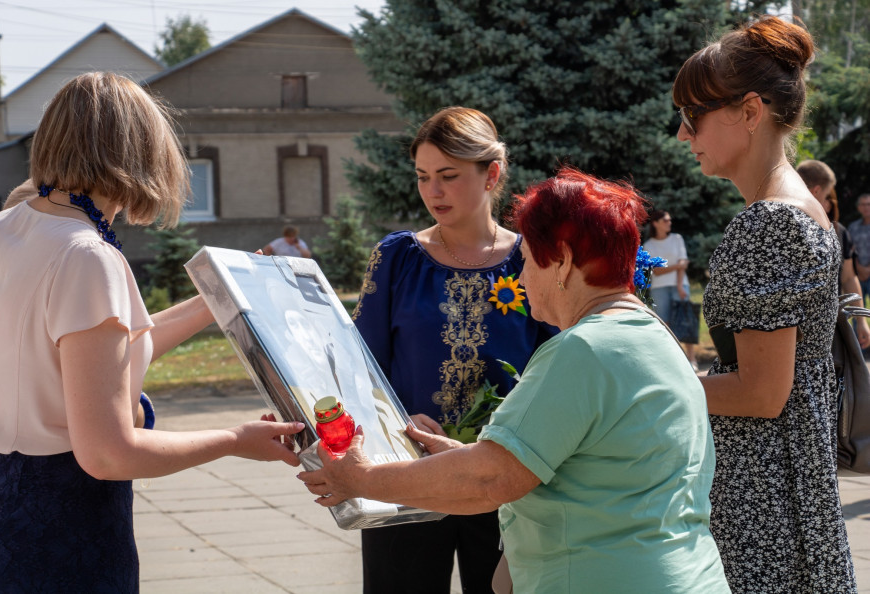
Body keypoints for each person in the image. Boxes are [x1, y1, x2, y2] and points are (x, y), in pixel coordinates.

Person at [300, 167, 730, 593]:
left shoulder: (582, 350)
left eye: (526, 263)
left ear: (560, 261)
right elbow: (558, 466)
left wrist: (361, 479)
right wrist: (468, 455)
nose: (521, 281)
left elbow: (490, 481)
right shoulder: (652, 333)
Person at [0, 72, 304, 592]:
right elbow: (108, 454)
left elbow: (116, 349)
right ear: (137, 153)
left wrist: (225, 294)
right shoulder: (85, 255)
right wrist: (234, 439)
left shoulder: (7, 228)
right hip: (62, 525)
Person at [673, 16, 856, 592]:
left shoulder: (770, 222)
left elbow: (760, 391)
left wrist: (653, 383)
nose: (683, 135)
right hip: (785, 478)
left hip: (764, 497)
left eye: (692, 116)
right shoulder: (799, 208)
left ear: (749, 112)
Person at [349, 106, 555, 593]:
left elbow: (555, 367)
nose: (432, 192)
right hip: (408, 473)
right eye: (423, 177)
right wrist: (395, 420)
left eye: (448, 176)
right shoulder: (396, 256)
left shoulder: (535, 259)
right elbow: (361, 366)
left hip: (507, 480)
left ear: (493, 174)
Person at [797, 159, 870, 347]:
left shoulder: (837, 231)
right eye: (826, 195)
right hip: (795, 333)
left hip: (829, 330)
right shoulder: (788, 227)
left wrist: (861, 320)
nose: (827, 203)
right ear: (816, 191)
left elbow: (848, 278)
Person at [643, 209, 699, 369]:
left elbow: (684, 264)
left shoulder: (677, 238)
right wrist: (677, 266)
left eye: (669, 220)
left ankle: (692, 360)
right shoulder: (649, 245)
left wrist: (680, 285)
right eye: (666, 220)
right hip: (659, 287)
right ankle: (674, 361)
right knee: (665, 324)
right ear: (656, 223)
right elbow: (657, 271)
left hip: (680, 285)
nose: (669, 222)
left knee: (686, 321)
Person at [848, 193, 870, 303]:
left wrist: (868, 269)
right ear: (858, 207)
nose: (866, 207)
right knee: (858, 311)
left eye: (869, 204)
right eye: (863, 204)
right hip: (857, 274)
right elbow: (850, 250)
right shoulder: (852, 227)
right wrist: (860, 269)